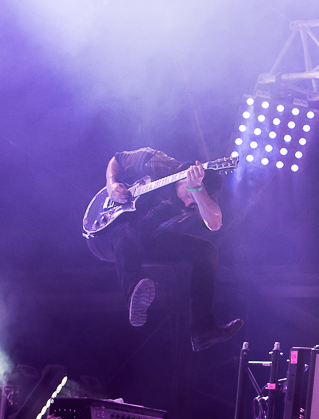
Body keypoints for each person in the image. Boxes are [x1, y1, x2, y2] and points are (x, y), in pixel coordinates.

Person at [86, 147, 243, 351]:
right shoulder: (158, 163)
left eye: (194, 201)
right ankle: (134, 294)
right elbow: (118, 159)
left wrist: (198, 191)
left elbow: (215, 223)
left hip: (146, 240)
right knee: (127, 231)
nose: (189, 203)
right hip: (106, 235)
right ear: (183, 180)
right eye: (189, 194)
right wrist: (111, 183)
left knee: (205, 251)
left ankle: (202, 331)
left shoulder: (199, 197)